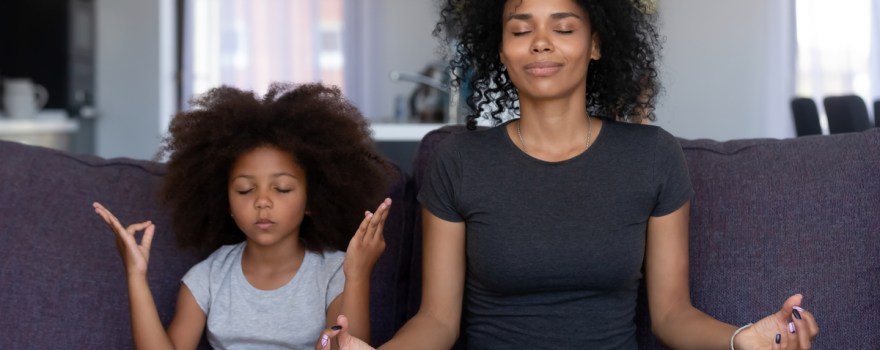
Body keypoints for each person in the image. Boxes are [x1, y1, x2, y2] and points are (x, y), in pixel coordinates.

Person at [326, 0, 820, 349]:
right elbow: (436, 321)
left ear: (596, 44)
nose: (540, 43)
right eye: (520, 30)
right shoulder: (458, 161)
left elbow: (672, 316)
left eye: (563, 28)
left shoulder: (652, 156)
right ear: (501, 50)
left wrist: (743, 340)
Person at [93, 82, 394, 349]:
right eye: (245, 190)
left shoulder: (333, 272)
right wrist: (135, 275)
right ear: (225, 203)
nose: (262, 201)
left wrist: (357, 275)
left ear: (311, 201)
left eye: (282, 188)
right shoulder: (209, 277)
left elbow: (350, 346)